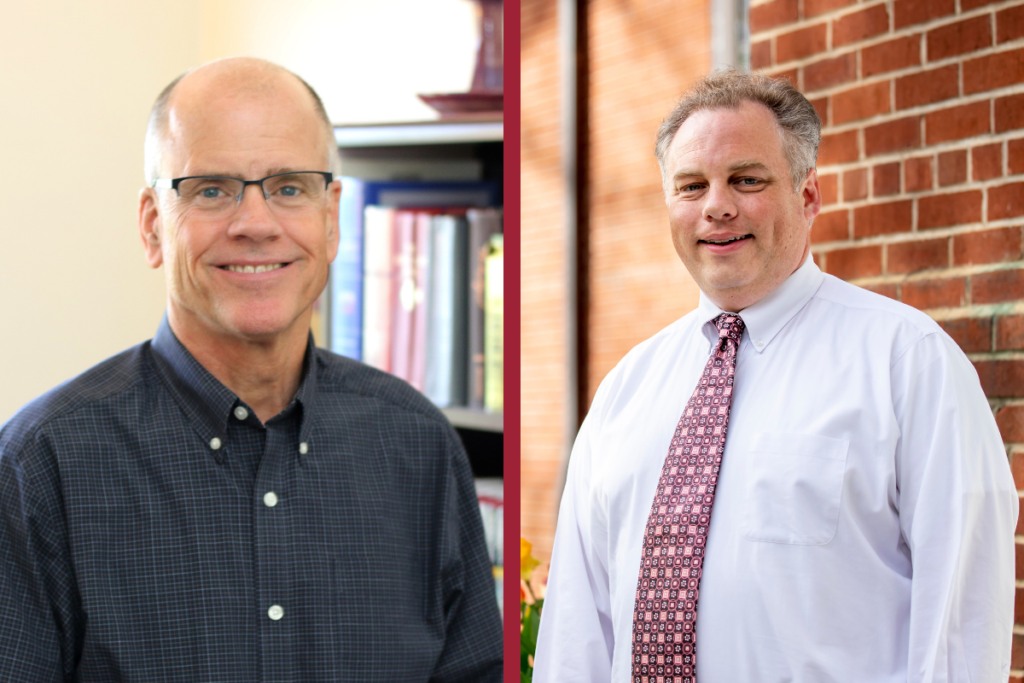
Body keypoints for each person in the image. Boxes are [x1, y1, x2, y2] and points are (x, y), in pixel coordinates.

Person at [0, 57, 502, 682]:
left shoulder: (420, 446)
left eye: (290, 187)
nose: (256, 224)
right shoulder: (41, 466)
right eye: (212, 189)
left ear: (331, 215)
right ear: (154, 226)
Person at [533, 70, 1018, 683]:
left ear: (808, 194)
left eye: (746, 179)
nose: (717, 206)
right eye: (691, 186)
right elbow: (578, 624)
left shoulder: (908, 361)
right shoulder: (626, 389)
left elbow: (961, 614)